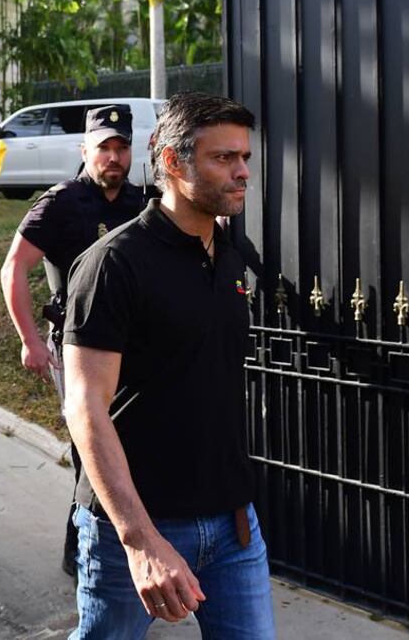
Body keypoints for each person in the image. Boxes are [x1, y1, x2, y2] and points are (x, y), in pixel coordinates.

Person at [61, 92, 273, 638]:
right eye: (223, 158)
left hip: (233, 525)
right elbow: (85, 408)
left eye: (244, 156)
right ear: (174, 163)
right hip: (132, 527)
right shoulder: (113, 264)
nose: (242, 171)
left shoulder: (227, 254)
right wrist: (140, 539)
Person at [0, 104, 146, 577]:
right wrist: (29, 341)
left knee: (124, 445)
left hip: (133, 349)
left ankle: (103, 543)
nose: (114, 157)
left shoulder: (140, 204)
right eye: (105, 147)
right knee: (92, 448)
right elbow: (14, 267)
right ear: (85, 150)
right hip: (75, 348)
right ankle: (83, 549)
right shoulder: (61, 202)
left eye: (122, 147)